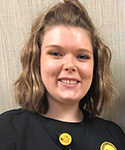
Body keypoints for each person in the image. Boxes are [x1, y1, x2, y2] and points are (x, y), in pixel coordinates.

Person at [0, 0, 125, 149]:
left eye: (82, 56)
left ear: (95, 66)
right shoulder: (8, 129)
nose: (70, 65)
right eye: (56, 53)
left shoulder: (114, 136)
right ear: (36, 61)